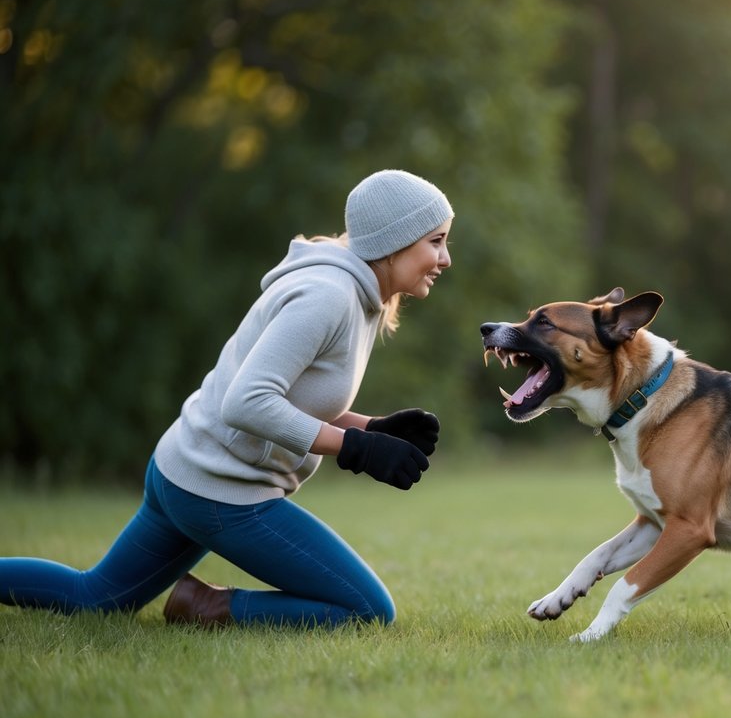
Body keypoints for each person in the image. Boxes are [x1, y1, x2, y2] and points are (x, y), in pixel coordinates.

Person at [0, 169, 453, 627]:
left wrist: (369, 428)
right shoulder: (328, 296)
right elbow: (248, 402)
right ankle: (205, 606)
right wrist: (352, 448)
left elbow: (292, 397)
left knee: (93, 598)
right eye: (435, 241)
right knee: (368, 611)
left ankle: (197, 601)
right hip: (220, 490)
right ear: (394, 241)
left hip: (187, 471)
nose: (445, 258)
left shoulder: (360, 297)